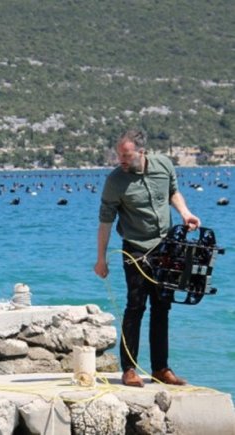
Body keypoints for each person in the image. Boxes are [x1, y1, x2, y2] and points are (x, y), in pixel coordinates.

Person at [94, 129, 201, 388]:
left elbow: (173, 192)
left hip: (166, 246)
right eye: (119, 155)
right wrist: (101, 259)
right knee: (135, 306)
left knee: (162, 306)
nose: (121, 159)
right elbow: (106, 222)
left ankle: (160, 369)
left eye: (126, 155)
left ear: (142, 152)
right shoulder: (115, 181)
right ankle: (129, 370)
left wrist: (185, 213)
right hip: (136, 249)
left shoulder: (163, 165)